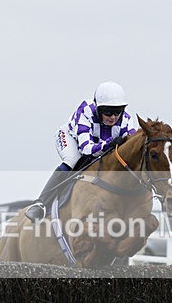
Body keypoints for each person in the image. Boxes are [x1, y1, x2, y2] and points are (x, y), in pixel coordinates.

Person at [25, 81, 138, 221]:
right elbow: (86, 149)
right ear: (98, 108)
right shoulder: (86, 111)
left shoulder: (127, 120)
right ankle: (40, 204)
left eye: (117, 112)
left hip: (98, 144)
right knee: (72, 161)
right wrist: (109, 144)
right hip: (72, 138)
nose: (113, 117)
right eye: (107, 112)